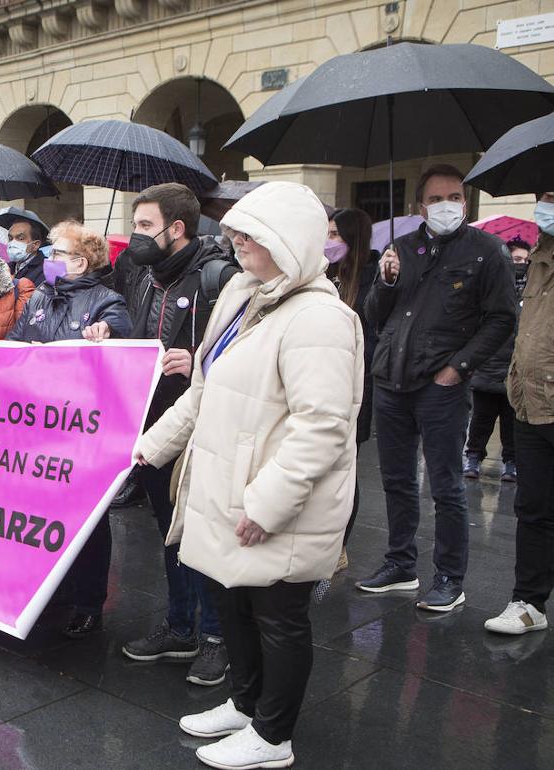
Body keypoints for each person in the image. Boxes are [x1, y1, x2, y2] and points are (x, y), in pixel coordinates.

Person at [137, 182, 363, 769]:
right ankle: (246, 704)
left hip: (271, 500)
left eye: (250, 235)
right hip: (227, 488)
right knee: (234, 605)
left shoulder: (320, 318)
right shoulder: (246, 295)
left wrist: (267, 505)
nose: (235, 242)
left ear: (287, 242)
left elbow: (322, 427)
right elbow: (205, 387)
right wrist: (152, 447)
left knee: (277, 618)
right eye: (235, 231)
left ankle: (273, 735)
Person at [358, 165, 517, 612]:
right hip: (392, 378)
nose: (447, 205)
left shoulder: (488, 252)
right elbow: (375, 314)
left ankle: (450, 576)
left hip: (441, 386)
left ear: (464, 203)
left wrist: (458, 368)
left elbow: (502, 318)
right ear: (420, 206)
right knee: (396, 479)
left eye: (455, 196)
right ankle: (400, 563)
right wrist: (386, 280)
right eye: (437, 198)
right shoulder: (402, 248)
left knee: (445, 486)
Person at [114, 183, 239, 687]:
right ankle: (180, 626)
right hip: (152, 425)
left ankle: (215, 637)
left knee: (202, 534)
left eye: (145, 226)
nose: (137, 236)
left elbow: (246, 349)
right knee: (168, 532)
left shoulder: (218, 277)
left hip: (200, 426)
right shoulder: (143, 276)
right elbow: (135, 336)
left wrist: (201, 362)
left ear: (176, 228)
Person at [6, 220, 132, 638]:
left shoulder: (105, 300)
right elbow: (18, 344)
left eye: (55, 254)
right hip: (36, 423)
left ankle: (88, 602)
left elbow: (122, 336)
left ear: (79, 262)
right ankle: (52, 589)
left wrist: (107, 332)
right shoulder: (40, 296)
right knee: (41, 510)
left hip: (80, 429)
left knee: (87, 518)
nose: (48, 261)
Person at [484, 193, 554, 635]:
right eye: (545, 197)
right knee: (532, 508)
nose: (546, 205)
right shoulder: (541, 255)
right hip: (531, 403)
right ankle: (528, 602)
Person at [326, 207, 380, 568]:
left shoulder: (373, 279)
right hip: (326, 379)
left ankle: (340, 544)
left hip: (356, 384)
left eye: (334, 235)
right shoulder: (327, 276)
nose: (327, 241)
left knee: (346, 468)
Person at [463, 247, 524, 483]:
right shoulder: (492, 288)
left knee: (511, 424)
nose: (520, 263)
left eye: (523, 259)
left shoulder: (530, 294)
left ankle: (511, 461)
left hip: (513, 371)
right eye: (515, 258)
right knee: (481, 419)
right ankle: (474, 457)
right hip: (487, 368)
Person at [3, 212, 50, 287]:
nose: (13, 243)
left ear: (35, 245)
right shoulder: (5, 268)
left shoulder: (46, 270)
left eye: (20, 238)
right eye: (10, 238)